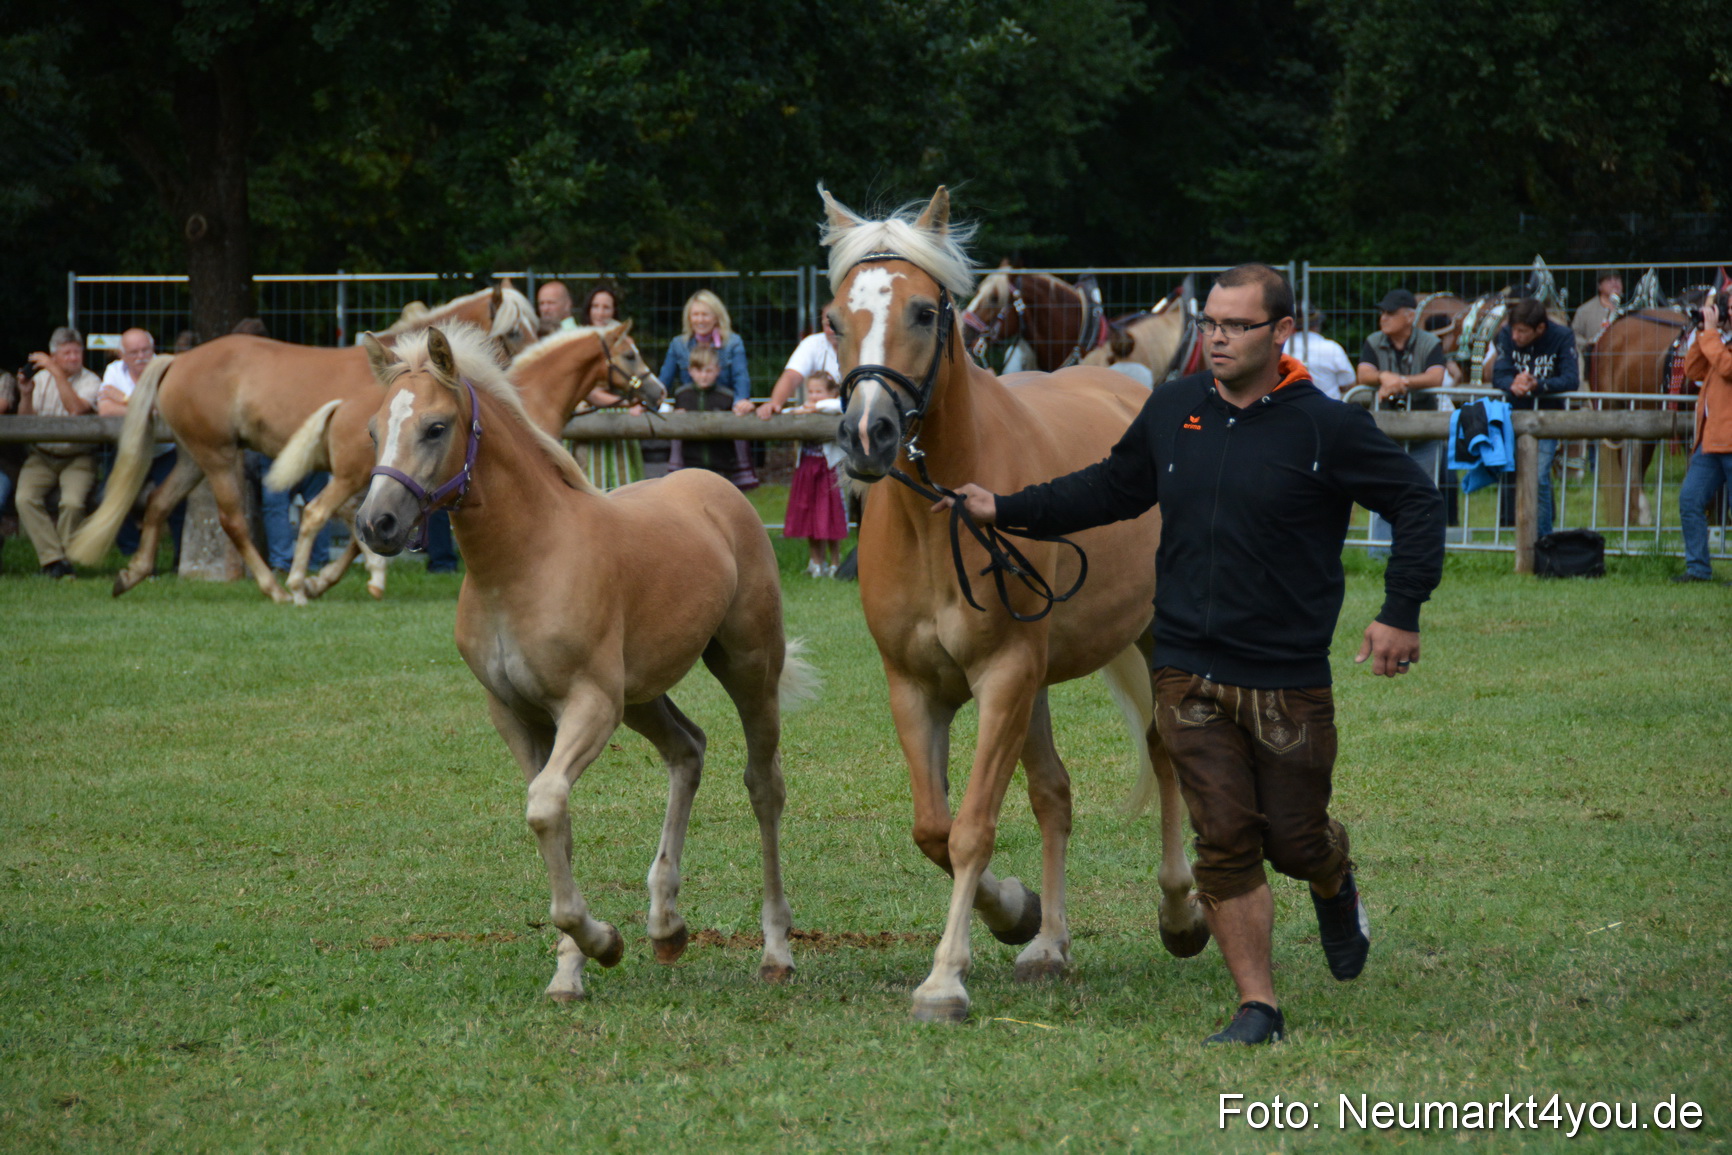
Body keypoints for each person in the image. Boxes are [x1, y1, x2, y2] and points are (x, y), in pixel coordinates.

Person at [943, 264, 1445, 1046]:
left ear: (1281, 332)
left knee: (1294, 837)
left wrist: (1400, 611)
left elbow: (1416, 501)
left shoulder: (1325, 426)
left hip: (1286, 675)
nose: (1217, 337)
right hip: (1185, 671)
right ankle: (1258, 1006)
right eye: (1210, 322)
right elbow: (1108, 490)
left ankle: (1333, 877)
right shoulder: (1172, 409)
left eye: (1238, 325)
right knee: (1224, 842)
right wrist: (1004, 507)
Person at [1355, 289, 1447, 556]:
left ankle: (1419, 552)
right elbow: (1363, 373)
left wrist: (1400, 382)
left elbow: (1436, 377)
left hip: (1424, 431)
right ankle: (1380, 553)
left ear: (1409, 316)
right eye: (1382, 312)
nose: (1383, 317)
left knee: (1423, 492)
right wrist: (1384, 377)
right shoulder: (1374, 341)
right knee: (1382, 490)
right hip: (1385, 434)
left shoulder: (1430, 342)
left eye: (1390, 312)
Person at [16, 327, 102, 577]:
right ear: (54, 355)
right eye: (67, 353)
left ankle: (61, 563)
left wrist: (55, 371)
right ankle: (54, 560)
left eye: (77, 352)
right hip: (41, 456)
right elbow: (25, 424)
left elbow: (76, 409)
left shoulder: (91, 381)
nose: (74, 358)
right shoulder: (41, 379)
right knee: (24, 499)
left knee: (72, 503)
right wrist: (26, 394)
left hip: (78, 456)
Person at [1491, 297, 1579, 540]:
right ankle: (1520, 531)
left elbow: (1571, 379)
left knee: (1538, 475)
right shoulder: (1506, 335)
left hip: (1546, 418)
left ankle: (1542, 539)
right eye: (1514, 330)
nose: (1515, 336)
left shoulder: (1562, 336)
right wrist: (1513, 383)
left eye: (1522, 331)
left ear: (1540, 328)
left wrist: (1538, 384)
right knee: (1514, 474)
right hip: (1512, 415)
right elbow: (1498, 374)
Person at [97, 327, 186, 561]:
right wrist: (146, 407)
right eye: (134, 352)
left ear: (153, 348)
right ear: (122, 354)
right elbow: (105, 410)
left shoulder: (166, 367)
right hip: (131, 450)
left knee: (178, 501)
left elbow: (164, 409)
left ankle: (180, 561)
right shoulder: (114, 370)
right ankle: (136, 555)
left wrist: (125, 399)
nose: (141, 357)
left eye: (145, 350)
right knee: (106, 497)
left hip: (165, 451)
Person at [662, 290, 756, 487]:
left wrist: (741, 401)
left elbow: (741, 376)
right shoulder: (679, 344)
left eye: (705, 314)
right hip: (691, 408)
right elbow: (664, 380)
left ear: (716, 317)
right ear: (689, 317)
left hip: (721, 408)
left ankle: (739, 470)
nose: (700, 319)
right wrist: (660, 405)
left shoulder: (732, 342)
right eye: (695, 314)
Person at [1674, 294, 1732, 582]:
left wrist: (1710, 334)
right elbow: (1693, 370)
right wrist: (1701, 331)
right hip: (1711, 441)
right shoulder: (1718, 339)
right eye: (1728, 307)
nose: (1728, 312)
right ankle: (1697, 568)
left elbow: (1727, 368)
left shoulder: (1718, 342)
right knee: (1690, 500)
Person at [572, 283, 646, 489]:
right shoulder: (578, 339)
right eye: (596, 306)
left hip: (621, 412)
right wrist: (626, 403)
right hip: (588, 413)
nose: (600, 312)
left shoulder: (625, 341)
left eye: (606, 307)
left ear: (614, 311)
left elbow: (636, 378)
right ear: (588, 309)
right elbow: (587, 391)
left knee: (623, 482)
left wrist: (636, 399)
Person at [782, 370, 848, 576]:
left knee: (830, 515)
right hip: (807, 468)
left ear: (832, 392)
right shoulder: (805, 409)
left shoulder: (835, 408)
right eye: (810, 392)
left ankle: (835, 562)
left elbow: (840, 405)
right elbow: (787, 413)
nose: (814, 396)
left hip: (828, 470)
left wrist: (815, 407)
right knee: (809, 513)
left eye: (819, 391)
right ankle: (816, 562)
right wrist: (801, 410)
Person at [735, 311, 841, 419]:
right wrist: (775, 404)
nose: (833, 330)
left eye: (838, 324)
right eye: (828, 325)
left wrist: (817, 406)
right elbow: (791, 376)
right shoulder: (813, 343)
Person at [1285, 310, 1355, 400]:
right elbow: (1348, 383)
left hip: (1289, 404)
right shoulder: (1332, 348)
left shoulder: (1280, 348)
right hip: (1328, 405)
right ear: (1316, 325)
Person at [1571, 269, 1623, 368]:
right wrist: (1588, 344)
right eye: (1608, 279)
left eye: (1617, 279)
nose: (1614, 282)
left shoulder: (1629, 310)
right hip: (1593, 363)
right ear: (1599, 286)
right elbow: (1573, 335)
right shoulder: (1585, 310)